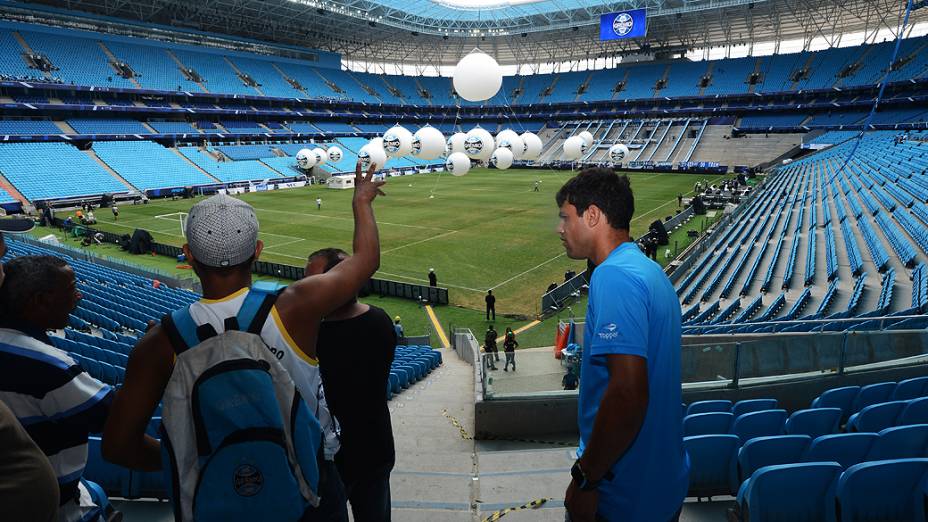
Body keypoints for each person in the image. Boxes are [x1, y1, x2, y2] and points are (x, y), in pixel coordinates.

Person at [102, 162, 386, 521]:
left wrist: (197, 462)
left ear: (188, 256)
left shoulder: (158, 343)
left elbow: (117, 446)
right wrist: (362, 201)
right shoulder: (295, 307)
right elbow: (366, 260)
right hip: (308, 491)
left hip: (215, 500)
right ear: (258, 250)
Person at [556, 168, 687, 521]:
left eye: (565, 217)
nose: (560, 229)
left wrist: (586, 478)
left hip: (623, 494)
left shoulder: (613, 276)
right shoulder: (650, 271)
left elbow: (628, 392)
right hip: (661, 485)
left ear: (593, 215)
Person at [0, 255, 124, 522]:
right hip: (57, 509)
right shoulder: (45, 365)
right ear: (40, 300)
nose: (78, 296)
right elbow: (118, 416)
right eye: (70, 289)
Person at [306, 248, 396, 522]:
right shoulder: (381, 321)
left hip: (331, 457)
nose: (305, 288)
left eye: (313, 280)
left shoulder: (313, 337)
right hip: (376, 448)